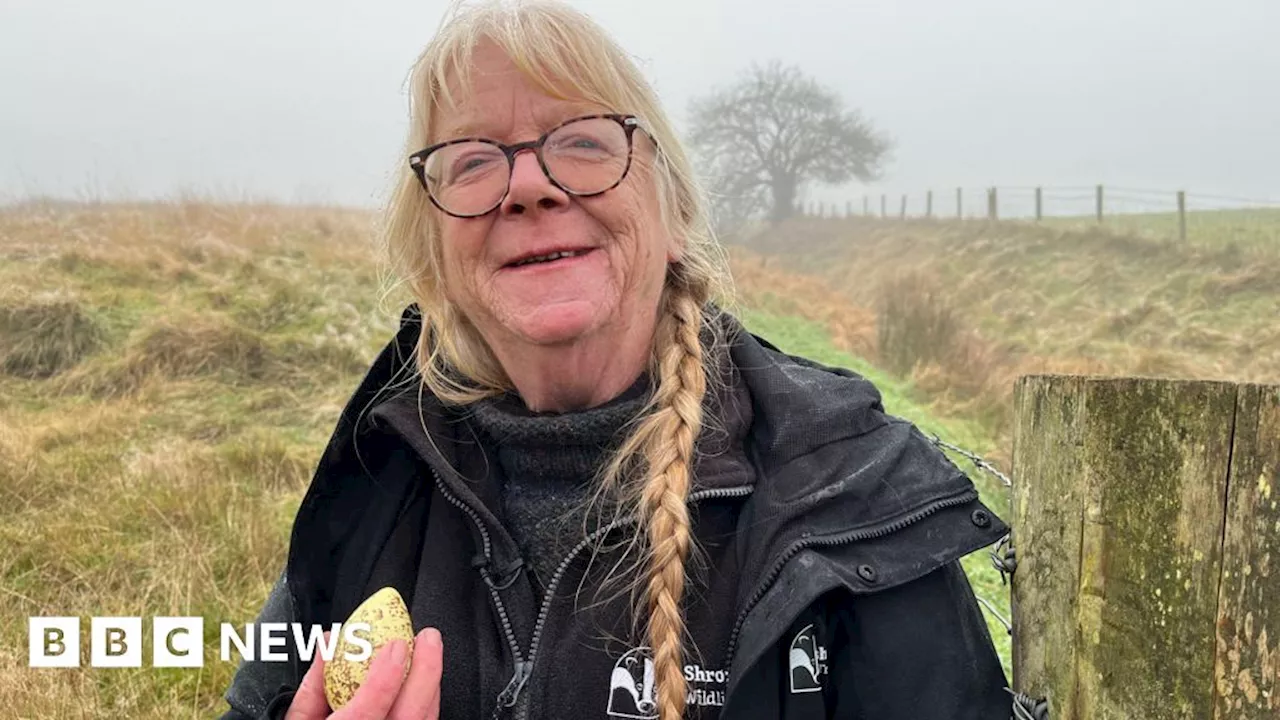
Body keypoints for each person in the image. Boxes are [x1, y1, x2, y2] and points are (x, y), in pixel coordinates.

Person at [220, 2, 1011, 718]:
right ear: (433, 255)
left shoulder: (847, 495)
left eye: (585, 143)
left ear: (674, 217)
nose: (527, 187)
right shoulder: (376, 478)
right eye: (471, 160)